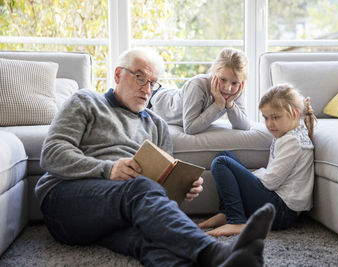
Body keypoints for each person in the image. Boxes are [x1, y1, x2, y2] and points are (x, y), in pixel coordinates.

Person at [35, 47, 276, 267]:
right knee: (138, 188)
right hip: (65, 202)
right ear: (118, 74)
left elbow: (158, 194)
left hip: (119, 213)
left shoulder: (157, 125)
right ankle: (216, 253)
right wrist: (108, 169)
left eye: (152, 82)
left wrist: (182, 188)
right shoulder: (86, 101)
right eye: (140, 77)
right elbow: (52, 154)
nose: (146, 88)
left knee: (150, 240)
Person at [199, 83, 317, 237]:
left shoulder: (293, 141)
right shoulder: (287, 135)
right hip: (277, 207)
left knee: (222, 162)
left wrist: (247, 177)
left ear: (294, 114)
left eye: (275, 117)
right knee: (224, 155)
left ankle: (236, 220)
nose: (269, 124)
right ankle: (227, 212)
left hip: (281, 212)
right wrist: (243, 177)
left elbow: (271, 181)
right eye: (266, 118)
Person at [150, 47, 251, 134]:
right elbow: (190, 128)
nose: (228, 88)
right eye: (223, 80)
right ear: (214, 73)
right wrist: (218, 105)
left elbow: (245, 126)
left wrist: (230, 104)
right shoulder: (197, 85)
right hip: (154, 99)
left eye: (234, 83)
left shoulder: (236, 90)